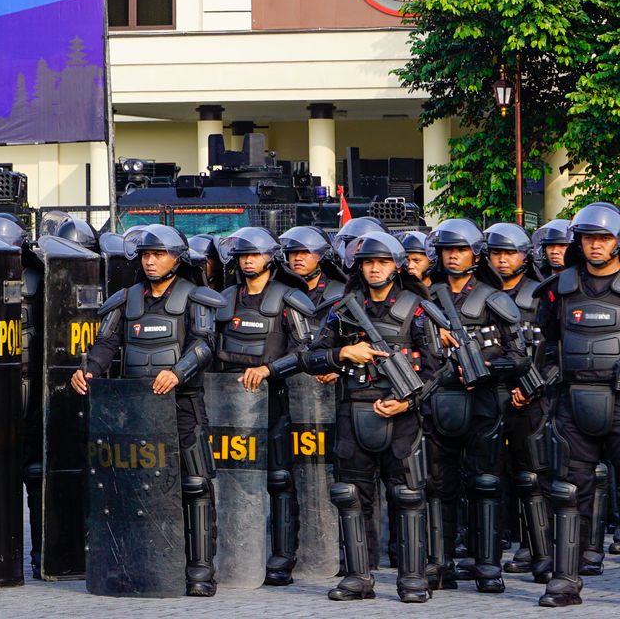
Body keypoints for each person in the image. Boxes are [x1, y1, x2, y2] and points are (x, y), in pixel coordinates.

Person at [277, 231, 439, 604]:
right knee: (350, 496)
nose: (375, 268)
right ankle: (357, 577)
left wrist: (408, 403)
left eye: (382, 262)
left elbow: (437, 369)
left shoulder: (416, 308)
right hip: (353, 411)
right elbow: (310, 357)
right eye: (368, 262)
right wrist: (343, 354)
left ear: (396, 266)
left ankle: (412, 578)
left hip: (401, 415)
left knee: (408, 496)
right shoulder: (342, 309)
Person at [71, 223, 225, 597]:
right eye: (146, 255)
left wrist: (178, 372)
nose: (151, 261)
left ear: (177, 258)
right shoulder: (126, 299)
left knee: (195, 485)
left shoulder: (196, 297)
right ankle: (140, 561)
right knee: (135, 488)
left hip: (182, 404)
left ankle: (201, 569)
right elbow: (106, 343)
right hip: (136, 410)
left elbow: (205, 345)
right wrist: (88, 370)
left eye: (159, 254)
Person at [211, 225, 318, 586]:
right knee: (229, 481)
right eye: (243, 255)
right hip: (228, 406)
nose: (248, 261)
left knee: (278, 477)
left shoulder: (289, 299)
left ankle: (283, 555)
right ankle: (231, 550)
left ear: (270, 258)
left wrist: (269, 370)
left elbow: (306, 351)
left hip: (273, 401)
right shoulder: (224, 298)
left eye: (254, 254)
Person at [422, 217, 522, 594]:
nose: (453, 256)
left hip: (481, 402)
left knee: (485, 483)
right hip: (437, 401)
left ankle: (487, 565)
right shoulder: (425, 298)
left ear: (475, 254)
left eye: (461, 250)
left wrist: (485, 366)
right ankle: (441, 563)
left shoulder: (493, 298)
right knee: (438, 486)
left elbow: (520, 357)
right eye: (448, 250)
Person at [529, 202, 620, 607]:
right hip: (573, 403)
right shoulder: (558, 287)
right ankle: (565, 580)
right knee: (567, 491)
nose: (595, 245)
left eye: (603, 238)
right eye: (588, 238)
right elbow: (549, 340)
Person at [485, 223, 548, 576]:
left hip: (531, 397)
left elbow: (548, 349)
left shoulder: (539, 294)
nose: (503, 260)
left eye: (509, 253)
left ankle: (536, 549)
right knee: (491, 476)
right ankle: (491, 552)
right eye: (496, 253)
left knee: (532, 475)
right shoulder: (483, 294)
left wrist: (531, 388)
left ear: (525, 256)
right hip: (489, 393)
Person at [281, 226, 347, 309]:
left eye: (305, 252)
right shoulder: (279, 290)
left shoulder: (338, 292)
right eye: (293, 252)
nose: (297, 258)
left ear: (321, 255)